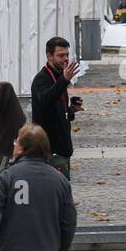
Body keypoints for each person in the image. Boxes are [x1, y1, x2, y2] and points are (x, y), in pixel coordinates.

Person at [31, 36, 82, 180]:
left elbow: (57, 109)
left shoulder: (59, 76)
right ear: (49, 56)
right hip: (50, 150)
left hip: (63, 148)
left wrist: (71, 110)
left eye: (66, 55)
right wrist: (64, 80)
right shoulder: (42, 79)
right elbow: (46, 101)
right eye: (60, 55)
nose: (65, 59)